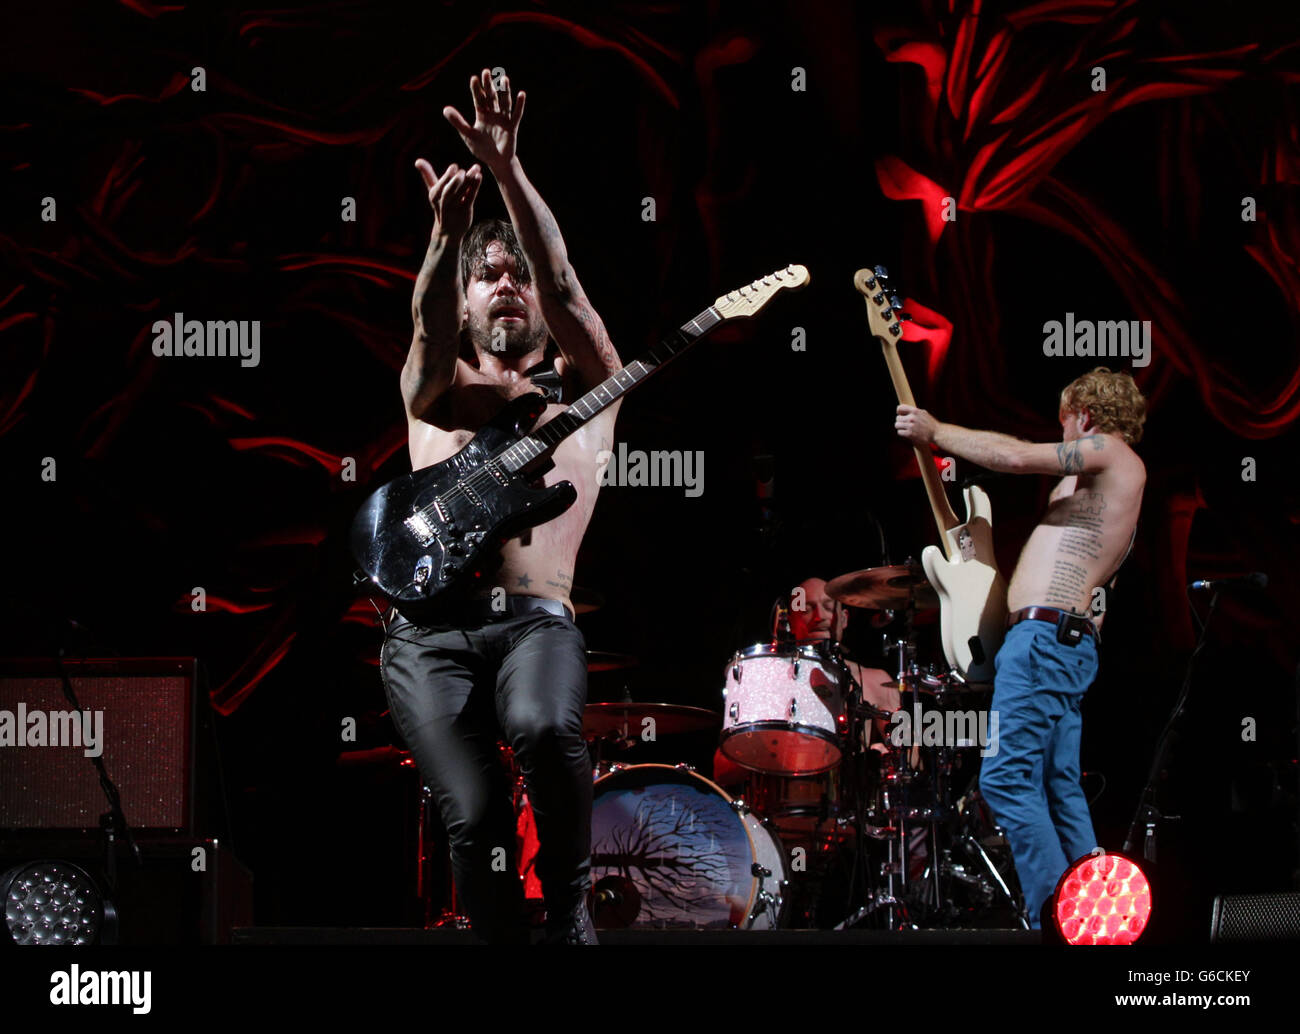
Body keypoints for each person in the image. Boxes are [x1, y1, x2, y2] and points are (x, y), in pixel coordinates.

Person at [379, 70, 621, 944]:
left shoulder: (587, 392)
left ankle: (569, 909)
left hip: (533, 623)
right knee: (474, 811)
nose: (506, 283)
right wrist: (446, 240)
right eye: (487, 275)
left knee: (544, 726)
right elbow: (427, 331)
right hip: (428, 634)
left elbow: (562, 282)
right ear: (466, 296)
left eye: (513, 272)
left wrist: (508, 171)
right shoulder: (435, 393)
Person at [895, 366, 1146, 927]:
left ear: (1083, 414)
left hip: (1045, 639)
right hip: (1053, 639)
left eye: (1064, 423)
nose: (1061, 436)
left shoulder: (1107, 451)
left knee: (1005, 779)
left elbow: (1013, 458)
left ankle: (1057, 922)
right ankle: (1098, 920)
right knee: (1059, 788)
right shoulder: (1097, 481)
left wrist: (935, 430)